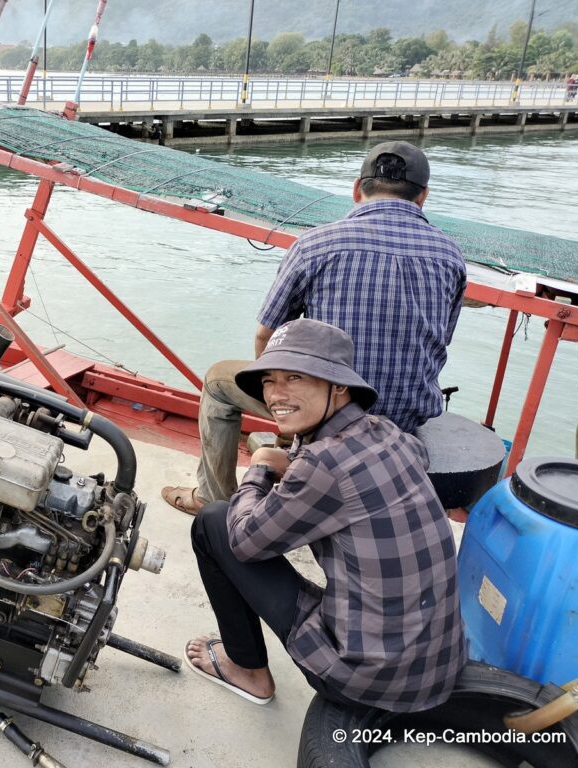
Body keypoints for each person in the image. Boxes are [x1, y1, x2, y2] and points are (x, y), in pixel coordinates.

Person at [163, 141, 467, 515]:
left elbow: (266, 335)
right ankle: (293, 438)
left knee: (217, 381)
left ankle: (213, 498)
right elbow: (441, 341)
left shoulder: (316, 244)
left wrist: (280, 400)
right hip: (404, 418)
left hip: (331, 416)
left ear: (357, 190)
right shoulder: (451, 255)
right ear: (423, 197)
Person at [185, 318, 466, 711]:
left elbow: (245, 543)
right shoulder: (389, 433)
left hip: (364, 680)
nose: (275, 395)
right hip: (436, 666)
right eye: (268, 380)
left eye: (294, 377)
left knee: (214, 522)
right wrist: (293, 464)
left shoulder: (322, 464)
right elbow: (408, 460)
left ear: (339, 386)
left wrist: (260, 467)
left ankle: (248, 671)